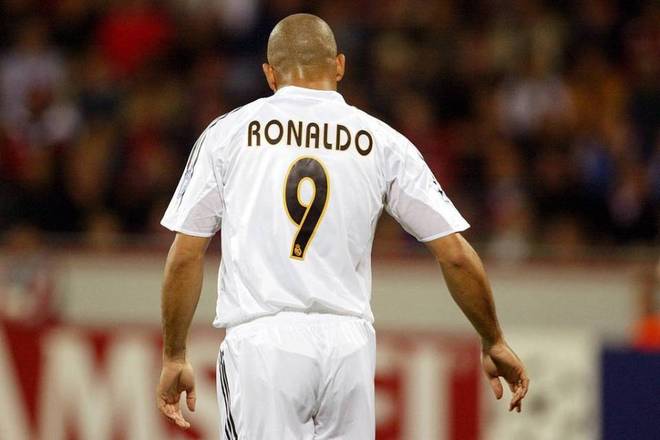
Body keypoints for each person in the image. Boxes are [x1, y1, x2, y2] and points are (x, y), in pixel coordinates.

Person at [156, 13, 529, 439]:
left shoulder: (228, 134)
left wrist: (174, 354)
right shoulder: (382, 141)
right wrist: (493, 339)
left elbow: (186, 255)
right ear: (339, 66)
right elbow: (456, 255)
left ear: (270, 74)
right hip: (349, 345)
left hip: (264, 341)